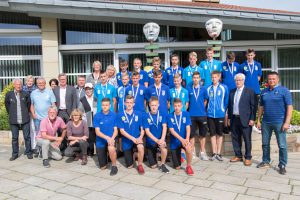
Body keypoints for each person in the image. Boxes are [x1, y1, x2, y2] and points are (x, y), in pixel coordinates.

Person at [256, 71, 293, 175]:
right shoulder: (264, 92)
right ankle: (266, 161)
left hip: (279, 122)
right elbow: (261, 107)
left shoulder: (284, 91)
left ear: (278, 80)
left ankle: (282, 164)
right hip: (266, 122)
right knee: (265, 144)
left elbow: (289, 107)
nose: (271, 80)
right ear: (267, 80)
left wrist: (287, 122)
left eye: (273, 79)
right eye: (269, 79)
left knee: (282, 145)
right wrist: (258, 120)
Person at [228, 73, 255, 166]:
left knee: (247, 139)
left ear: (243, 81)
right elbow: (230, 106)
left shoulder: (250, 91)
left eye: (240, 80)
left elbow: (253, 107)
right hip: (234, 118)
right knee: (235, 138)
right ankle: (238, 155)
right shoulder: (232, 91)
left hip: (246, 119)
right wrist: (229, 118)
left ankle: (248, 157)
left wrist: (252, 119)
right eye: (236, 80)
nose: (238, 82)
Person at [5, 78, 32, 161]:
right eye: (17, 84)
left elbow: (28, 105)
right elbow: (7, 106)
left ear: (21, 85)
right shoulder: (9, 94)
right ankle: (15, 154)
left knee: (27, 137)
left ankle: (28, 152)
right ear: (14, 85)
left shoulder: (26, 93)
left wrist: (24, 112)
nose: (18, 86)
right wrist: (12, 113)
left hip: (25, 119)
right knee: (14, 138)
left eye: (20, 84)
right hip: (14, 119)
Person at [117, 95, 145, 175]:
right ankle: (134, 154)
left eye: (131, 102)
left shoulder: (138, 114)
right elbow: (122, 131)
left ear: (133, 104)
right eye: (127, 102)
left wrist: (140, 137)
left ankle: (140, 165)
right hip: (127, 141)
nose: (129, 104)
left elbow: (142, 129)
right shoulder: (120, 114)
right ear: (125, 103)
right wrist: (133, 139)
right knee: (129, 166)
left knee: (141, 147)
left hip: (137, 138)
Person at [30, 77, 56, 157]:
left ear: (45, 83)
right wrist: (33, 114)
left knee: (48, 134)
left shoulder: (50, 92)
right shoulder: (33, 93)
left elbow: (53, 104)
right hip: (37, 118)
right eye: (39, 83)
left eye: (42, 83)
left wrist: (53, 115)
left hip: (48, 119)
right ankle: (39, 149)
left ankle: (48, 150)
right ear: (37, 84)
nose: (40, 84)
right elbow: (31, 105)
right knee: (38, 134)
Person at [167, 98, 194, 176]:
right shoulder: (170, 116)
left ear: (182, 106)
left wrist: (187, 139)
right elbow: (172, 131)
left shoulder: (186, 114)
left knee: (189, 147)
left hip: (184, 140)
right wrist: (182, 140)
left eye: (178, 106)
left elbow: (188, 127)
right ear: (173, 106)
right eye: (175, 106)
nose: (177, 108)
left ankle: (188, 166)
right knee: (177, 167)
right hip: (175, 142)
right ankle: (180, 157)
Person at [206, 70, 229, 161]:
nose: (214, 79)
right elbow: (206, 101)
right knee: (212, 134)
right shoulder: (208, 88)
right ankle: (214, 153)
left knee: (219, 134)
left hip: (220, 114)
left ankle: (219, 153)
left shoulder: (224, 88)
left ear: (219, 77)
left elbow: (226, 100)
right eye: (212, 77)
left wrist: (223, 110)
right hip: (210, 115)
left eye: (215, 77)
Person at [143, 96, 169, 173]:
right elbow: (147, 132)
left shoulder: (162, 114)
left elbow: (164, 127)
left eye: (155, 105)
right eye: (152, 105)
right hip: (151, 142)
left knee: (164, 149)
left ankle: (162, 164)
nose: (154, 107)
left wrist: (162, 139)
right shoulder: (146, 116)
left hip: (160, 140)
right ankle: (156, 154)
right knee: (153, 166)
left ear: (158, 105)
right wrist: (157, 140)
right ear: (149, 105)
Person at [187, 71, 209, 161]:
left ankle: (202, 152)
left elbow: (205, 100)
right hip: (192, 115)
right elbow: (187, 102)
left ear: (200, 79)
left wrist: (201, 108)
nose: (196, 79)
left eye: (197, 78)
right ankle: (192, 152)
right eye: (194, 78)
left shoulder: (203, 89)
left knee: (202, 135)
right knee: (191, 135)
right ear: (192, 79)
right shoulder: (189, 89)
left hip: (202, 115)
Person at [94, 98, 118, 176]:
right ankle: (106, 157)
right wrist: (107, 138)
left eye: (106, 105)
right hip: (101, 141)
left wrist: (112, 138)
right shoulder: (97, 116)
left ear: (110, 105)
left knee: (111, 148)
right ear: (101, 105)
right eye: (103, 105)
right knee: (103, 167)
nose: (105, 107)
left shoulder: (114, 115)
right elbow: (97, 132)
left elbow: (116, 130)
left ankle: (114, 166)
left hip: (111, 140)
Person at [239, 49, 262, 113]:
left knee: (254, 108)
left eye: (251, 55)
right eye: (248, 55)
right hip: (246, 90)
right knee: (246, 107)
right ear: (246, 55)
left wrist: (253, 82)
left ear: (254, 55)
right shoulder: (242, 65)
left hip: (255, 90)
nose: (250, 57)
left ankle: (253, 122)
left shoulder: (258, 65)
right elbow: (240, 78)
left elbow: (259, 77)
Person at [78, 83, 97, 157]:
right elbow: (80, 111)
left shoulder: (96, 98)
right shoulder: (82, 99)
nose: (88, 91)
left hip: (96, 120)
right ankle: (90, 152)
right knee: (90, 137)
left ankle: (99, 152)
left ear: (92, 89)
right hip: (87, 121)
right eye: (86, 89)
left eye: (90, 89)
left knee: (97, 137)